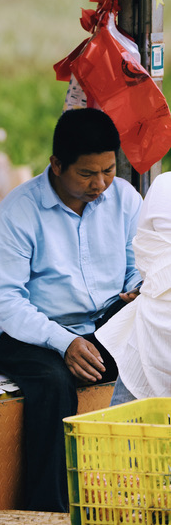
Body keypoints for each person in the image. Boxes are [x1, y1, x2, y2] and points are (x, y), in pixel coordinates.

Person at [0, 107, 142, 513]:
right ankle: (48, 510)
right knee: (54, 383)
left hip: (104, 325)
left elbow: (138, 267)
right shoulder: (18, 212)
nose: (100, 184)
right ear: (56, 165)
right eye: (87, 174)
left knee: (156, 350)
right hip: (32, 334)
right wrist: (64, 340)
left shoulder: (124, 199)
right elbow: (5, 303)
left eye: (108, 170)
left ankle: (137, 488)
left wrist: (136, 291)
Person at [96, 170, 171, 405]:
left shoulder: (163, 185)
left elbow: (146, 263)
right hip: (153, 329)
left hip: (152, 333)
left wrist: (150, 283)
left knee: (126, 434)